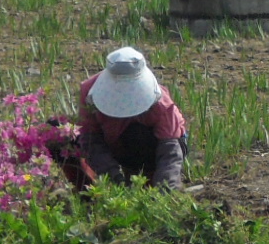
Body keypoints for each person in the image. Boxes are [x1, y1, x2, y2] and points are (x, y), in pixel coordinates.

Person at [78, 47, 188, 187]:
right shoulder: (89, 93)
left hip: (152, 146)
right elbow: (90, 137)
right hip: (115, 143)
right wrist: (113, 176)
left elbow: (170, 153)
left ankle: (149, 180)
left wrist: (165, 191)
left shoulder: (161, 104)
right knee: (63, 136)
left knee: (138, 135)